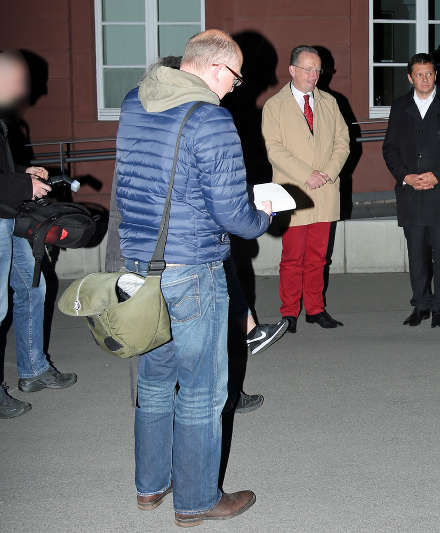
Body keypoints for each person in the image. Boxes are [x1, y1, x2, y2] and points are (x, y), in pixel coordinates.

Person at [115, 30, 272, 525]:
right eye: (236, 76)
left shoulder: (135, 102)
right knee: (203, 390)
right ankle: (198, 500)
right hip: (192, 270)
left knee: (155, 383)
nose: (235, 87)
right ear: (214, 68)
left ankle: (150, 486)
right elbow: (234, 216)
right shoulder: (210, 118)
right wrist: (263, 213)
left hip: (139, 267)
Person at [0, 50, 77, 419]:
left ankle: (32, 370)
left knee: (33, 288)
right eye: (19, 82)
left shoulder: (4, 119)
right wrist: (21, 184)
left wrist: (22, 173)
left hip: (11, 217)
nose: (26, 91)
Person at [262, 45, 350, 333]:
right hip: (294, 192)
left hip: (324, 190)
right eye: (308, 69)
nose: (314, 75)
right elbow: (274, 149)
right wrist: (307, 174)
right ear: (292, 70)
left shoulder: (330, 102)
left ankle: (315, 308)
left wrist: (327, 173)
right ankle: (289, 312)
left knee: (318, 257)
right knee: (292, 257)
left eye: (317, 70)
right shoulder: (275, 106)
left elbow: (342, 142)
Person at [382, 53, 440, 328]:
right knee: (416, 253)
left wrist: (438, 176)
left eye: (429, 74)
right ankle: (420, 304)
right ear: (410, 77)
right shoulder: (399, 107)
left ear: (436, 75)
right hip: (411, 193)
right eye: (419, 74)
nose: (425, 79)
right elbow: (390, 149)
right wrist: (405, 176)